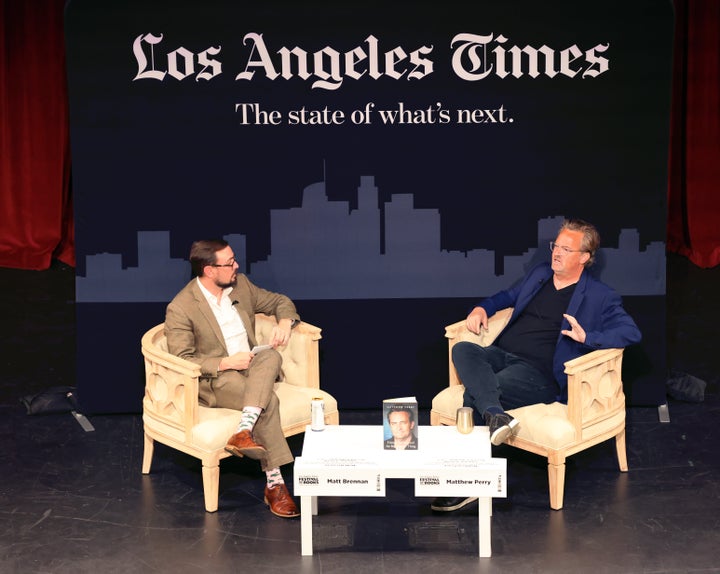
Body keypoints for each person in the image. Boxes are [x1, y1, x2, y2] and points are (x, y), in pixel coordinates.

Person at [431, 218, 641, 513]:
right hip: (502, 353)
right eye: (556, 246)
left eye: (566, 249)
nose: (556, 253)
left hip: (538, 373)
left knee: (473, 394)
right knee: (464, 349)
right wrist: (482, 308)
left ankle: (470, 482)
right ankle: (495, 415)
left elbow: (631, 332)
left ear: (584, 258)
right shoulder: (540, 274)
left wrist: (589, 337)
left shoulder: (600, 296)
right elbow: (507, 297)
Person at [164, 239, 301, 518]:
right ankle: (274, 484)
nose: (236, 266)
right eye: (229, 263)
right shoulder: (181, 307)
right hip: (218, 379)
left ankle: (244, 430)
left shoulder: (241, 285)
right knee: (268, 401)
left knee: (272, 357)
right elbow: (182, 359)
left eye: (234, 259)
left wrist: (285, 321)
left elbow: (280, 301)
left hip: (252, 365)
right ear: (209, 270)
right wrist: (226, 362)